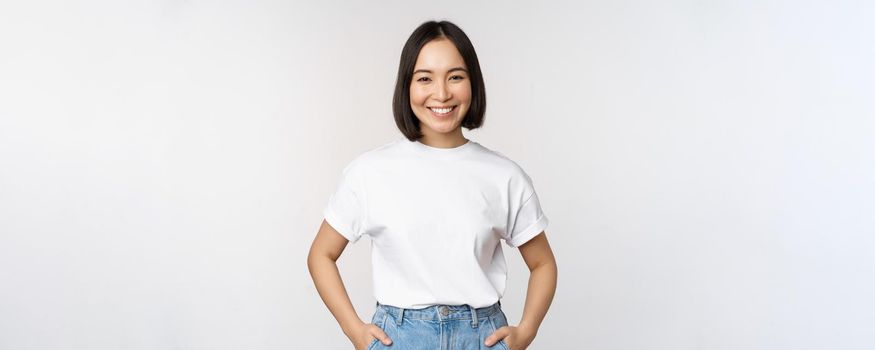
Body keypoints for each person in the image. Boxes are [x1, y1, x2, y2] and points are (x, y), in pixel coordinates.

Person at [307, 20, 558, 350]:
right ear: (407, 86)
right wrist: (354, 329)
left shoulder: (504, 176)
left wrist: (526, 331)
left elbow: (543, 264)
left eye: (455, 77)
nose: (442, 93)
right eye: (425, 78)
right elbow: (320, 255)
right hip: (400, 336)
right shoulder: (370, 172)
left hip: (481, 336)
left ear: (473, 83)